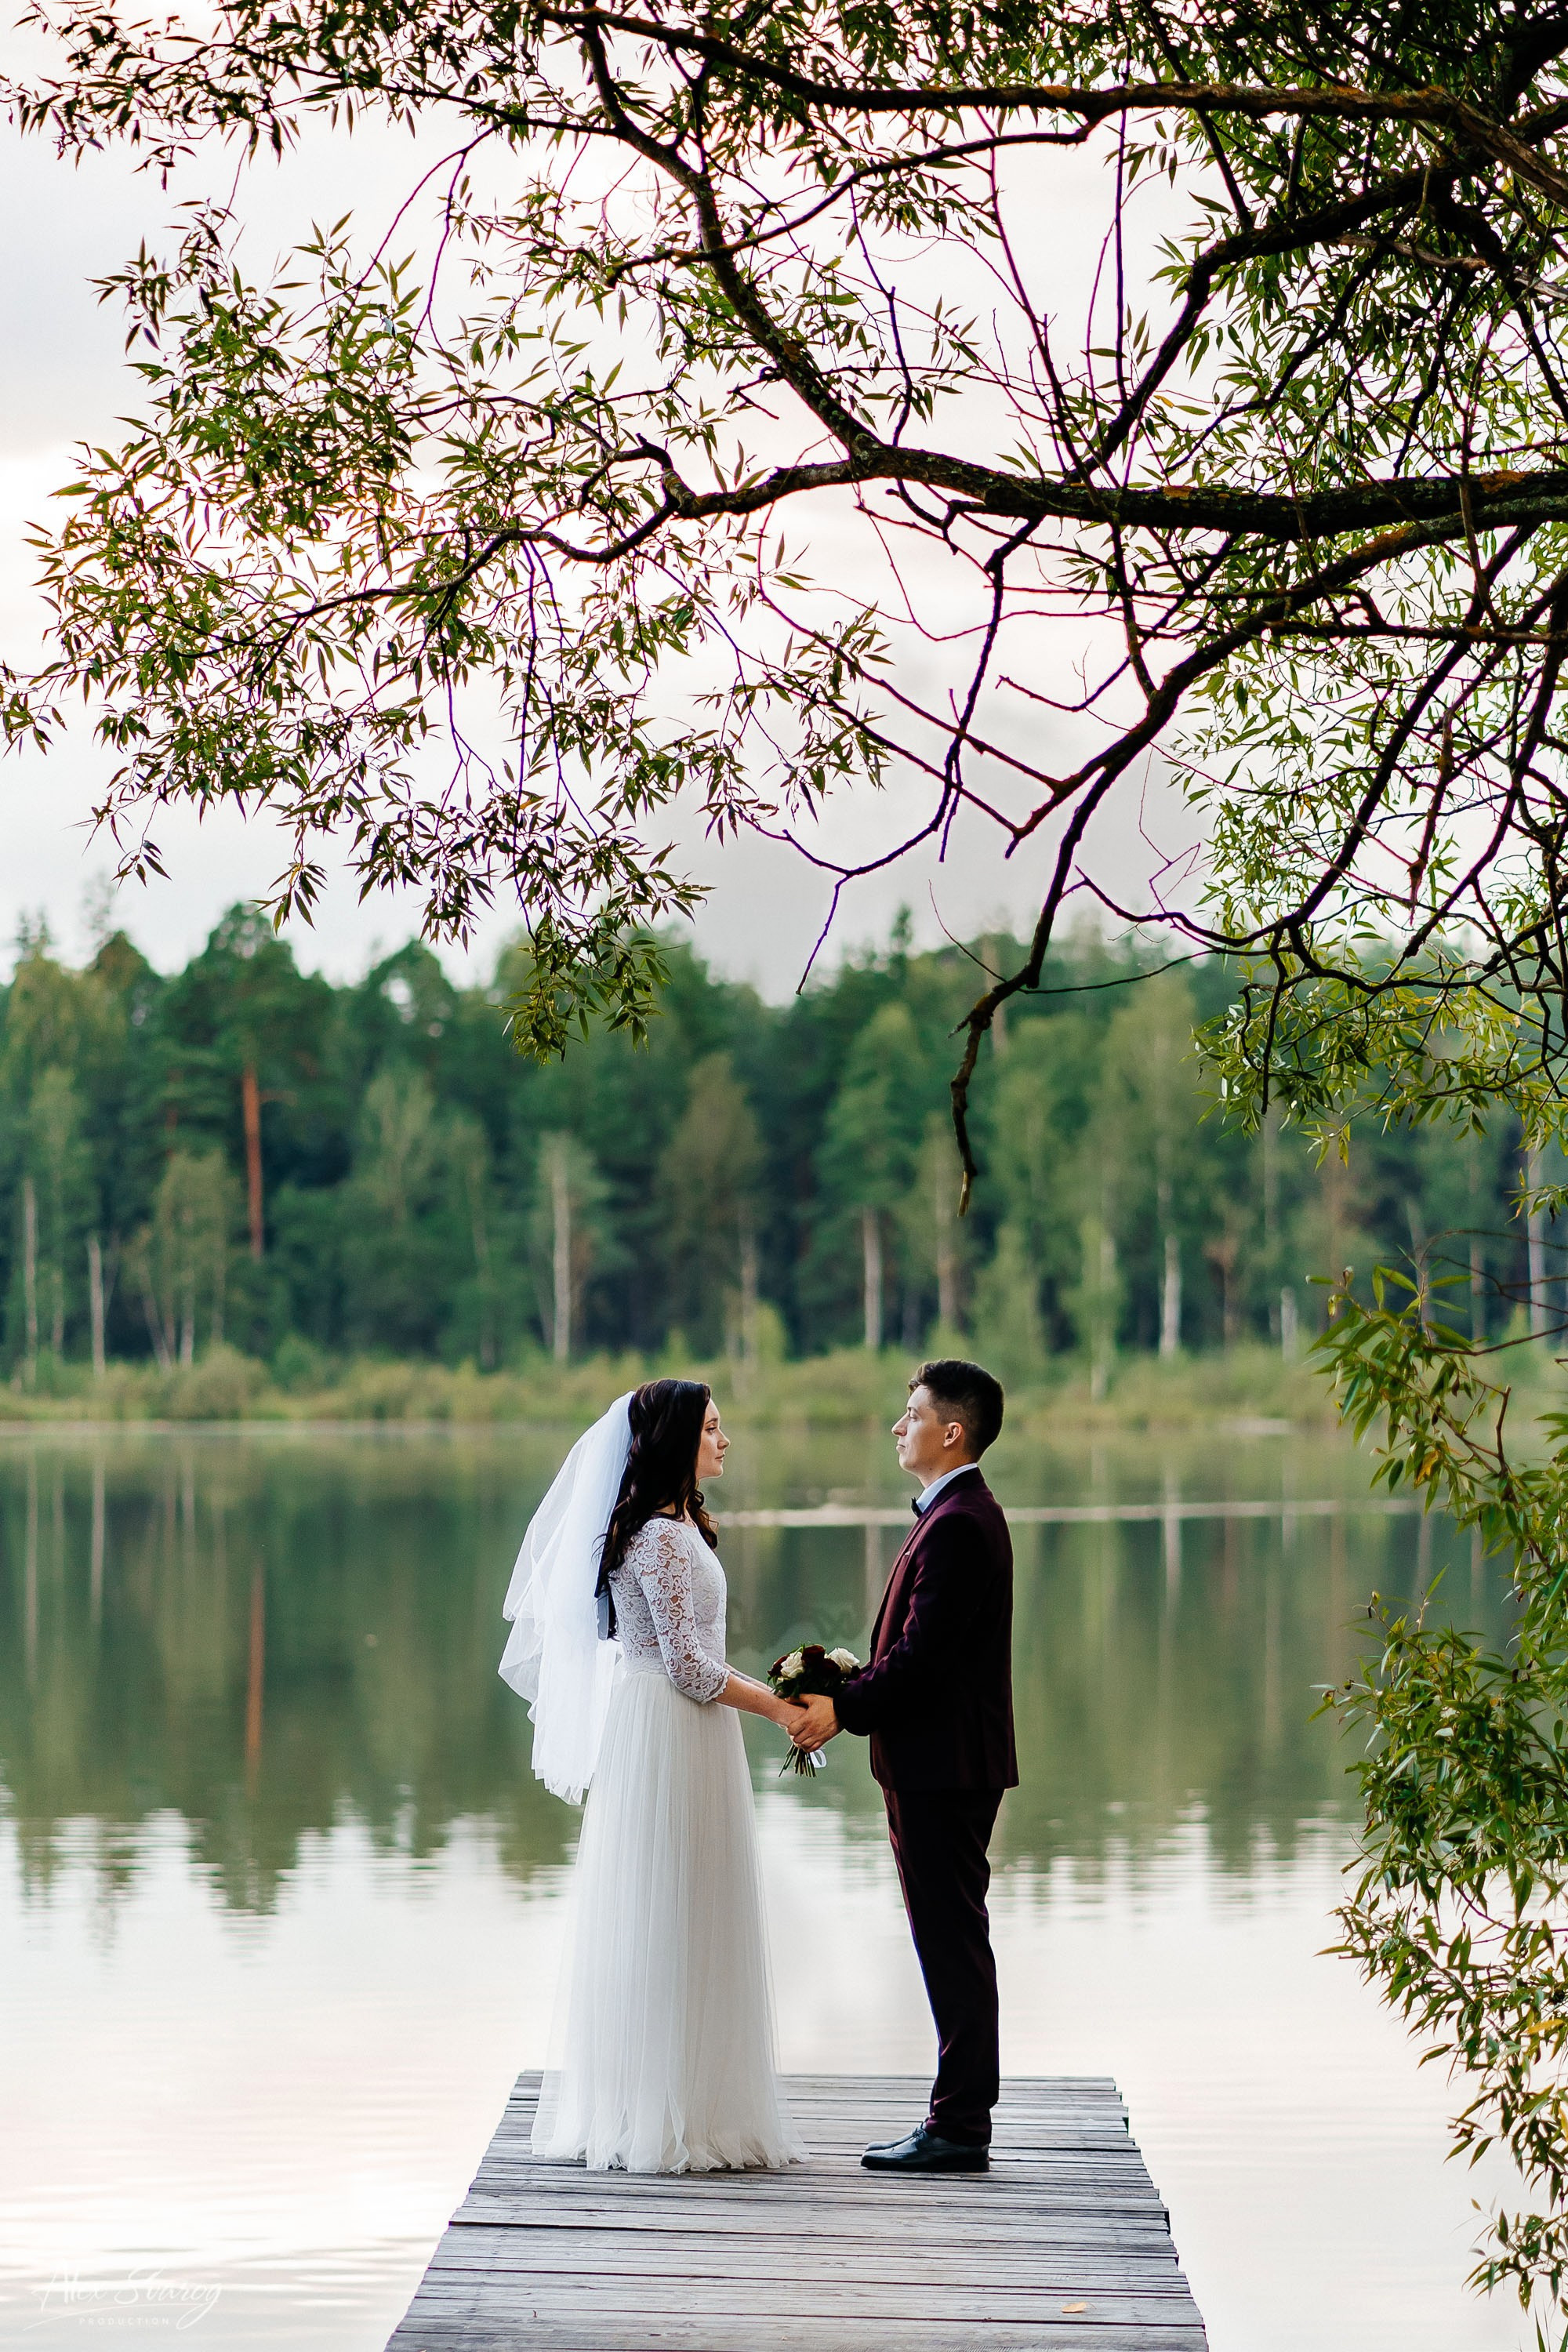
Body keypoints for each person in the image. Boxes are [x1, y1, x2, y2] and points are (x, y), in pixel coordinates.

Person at [499, 1378, 805, 2174]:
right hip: (670, 1728)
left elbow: (695, 1657)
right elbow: (691, 1669)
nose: (724, 1439)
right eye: (711, 1428)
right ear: (676, 1440)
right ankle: (671, 2114)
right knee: (672, 1904)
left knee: (684, 1902)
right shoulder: (662, 1539)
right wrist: (780, 1708)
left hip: (675, 1725)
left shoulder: (670, 1526)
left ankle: (684, 2100)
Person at [789, 1357, 1016, 2172]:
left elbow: (921, 1660)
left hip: (943, 1768)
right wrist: (846, 1687)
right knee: (949, 1938)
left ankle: (958, 2128)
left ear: (950, 1431)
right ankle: (957, 2118)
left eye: (911, 1413)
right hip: (938, 1764)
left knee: (950, 1940)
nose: (898, 1424)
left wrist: (839, 1707)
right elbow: (923, 1656)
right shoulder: (953, 1514)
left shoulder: (958, 1522)